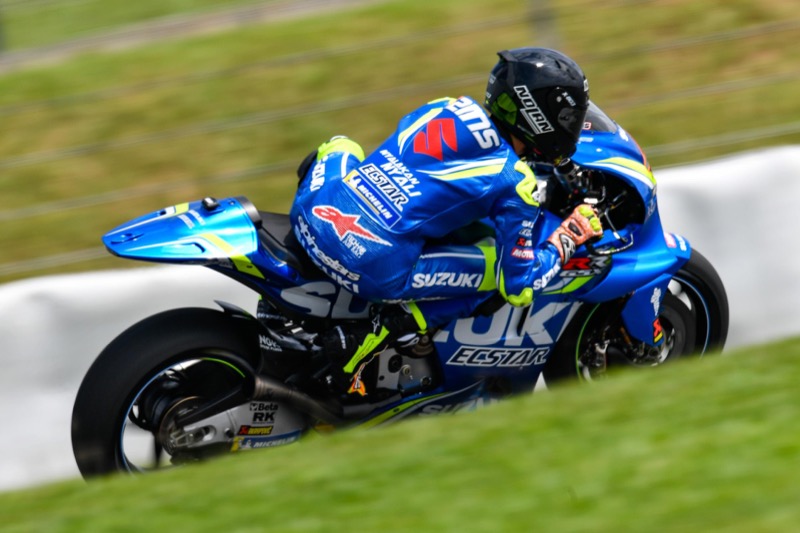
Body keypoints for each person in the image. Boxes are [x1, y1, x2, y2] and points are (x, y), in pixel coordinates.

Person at [289, 47, 603, 392]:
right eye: (567, 119)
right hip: (372, 263)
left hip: (313, 215)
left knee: (341, 144)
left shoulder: (445, 106)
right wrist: (569, 235)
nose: (571, 128)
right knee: (498, 272)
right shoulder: (516, 182)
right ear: (538, 115)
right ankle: (386, 328)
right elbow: (520, 287)